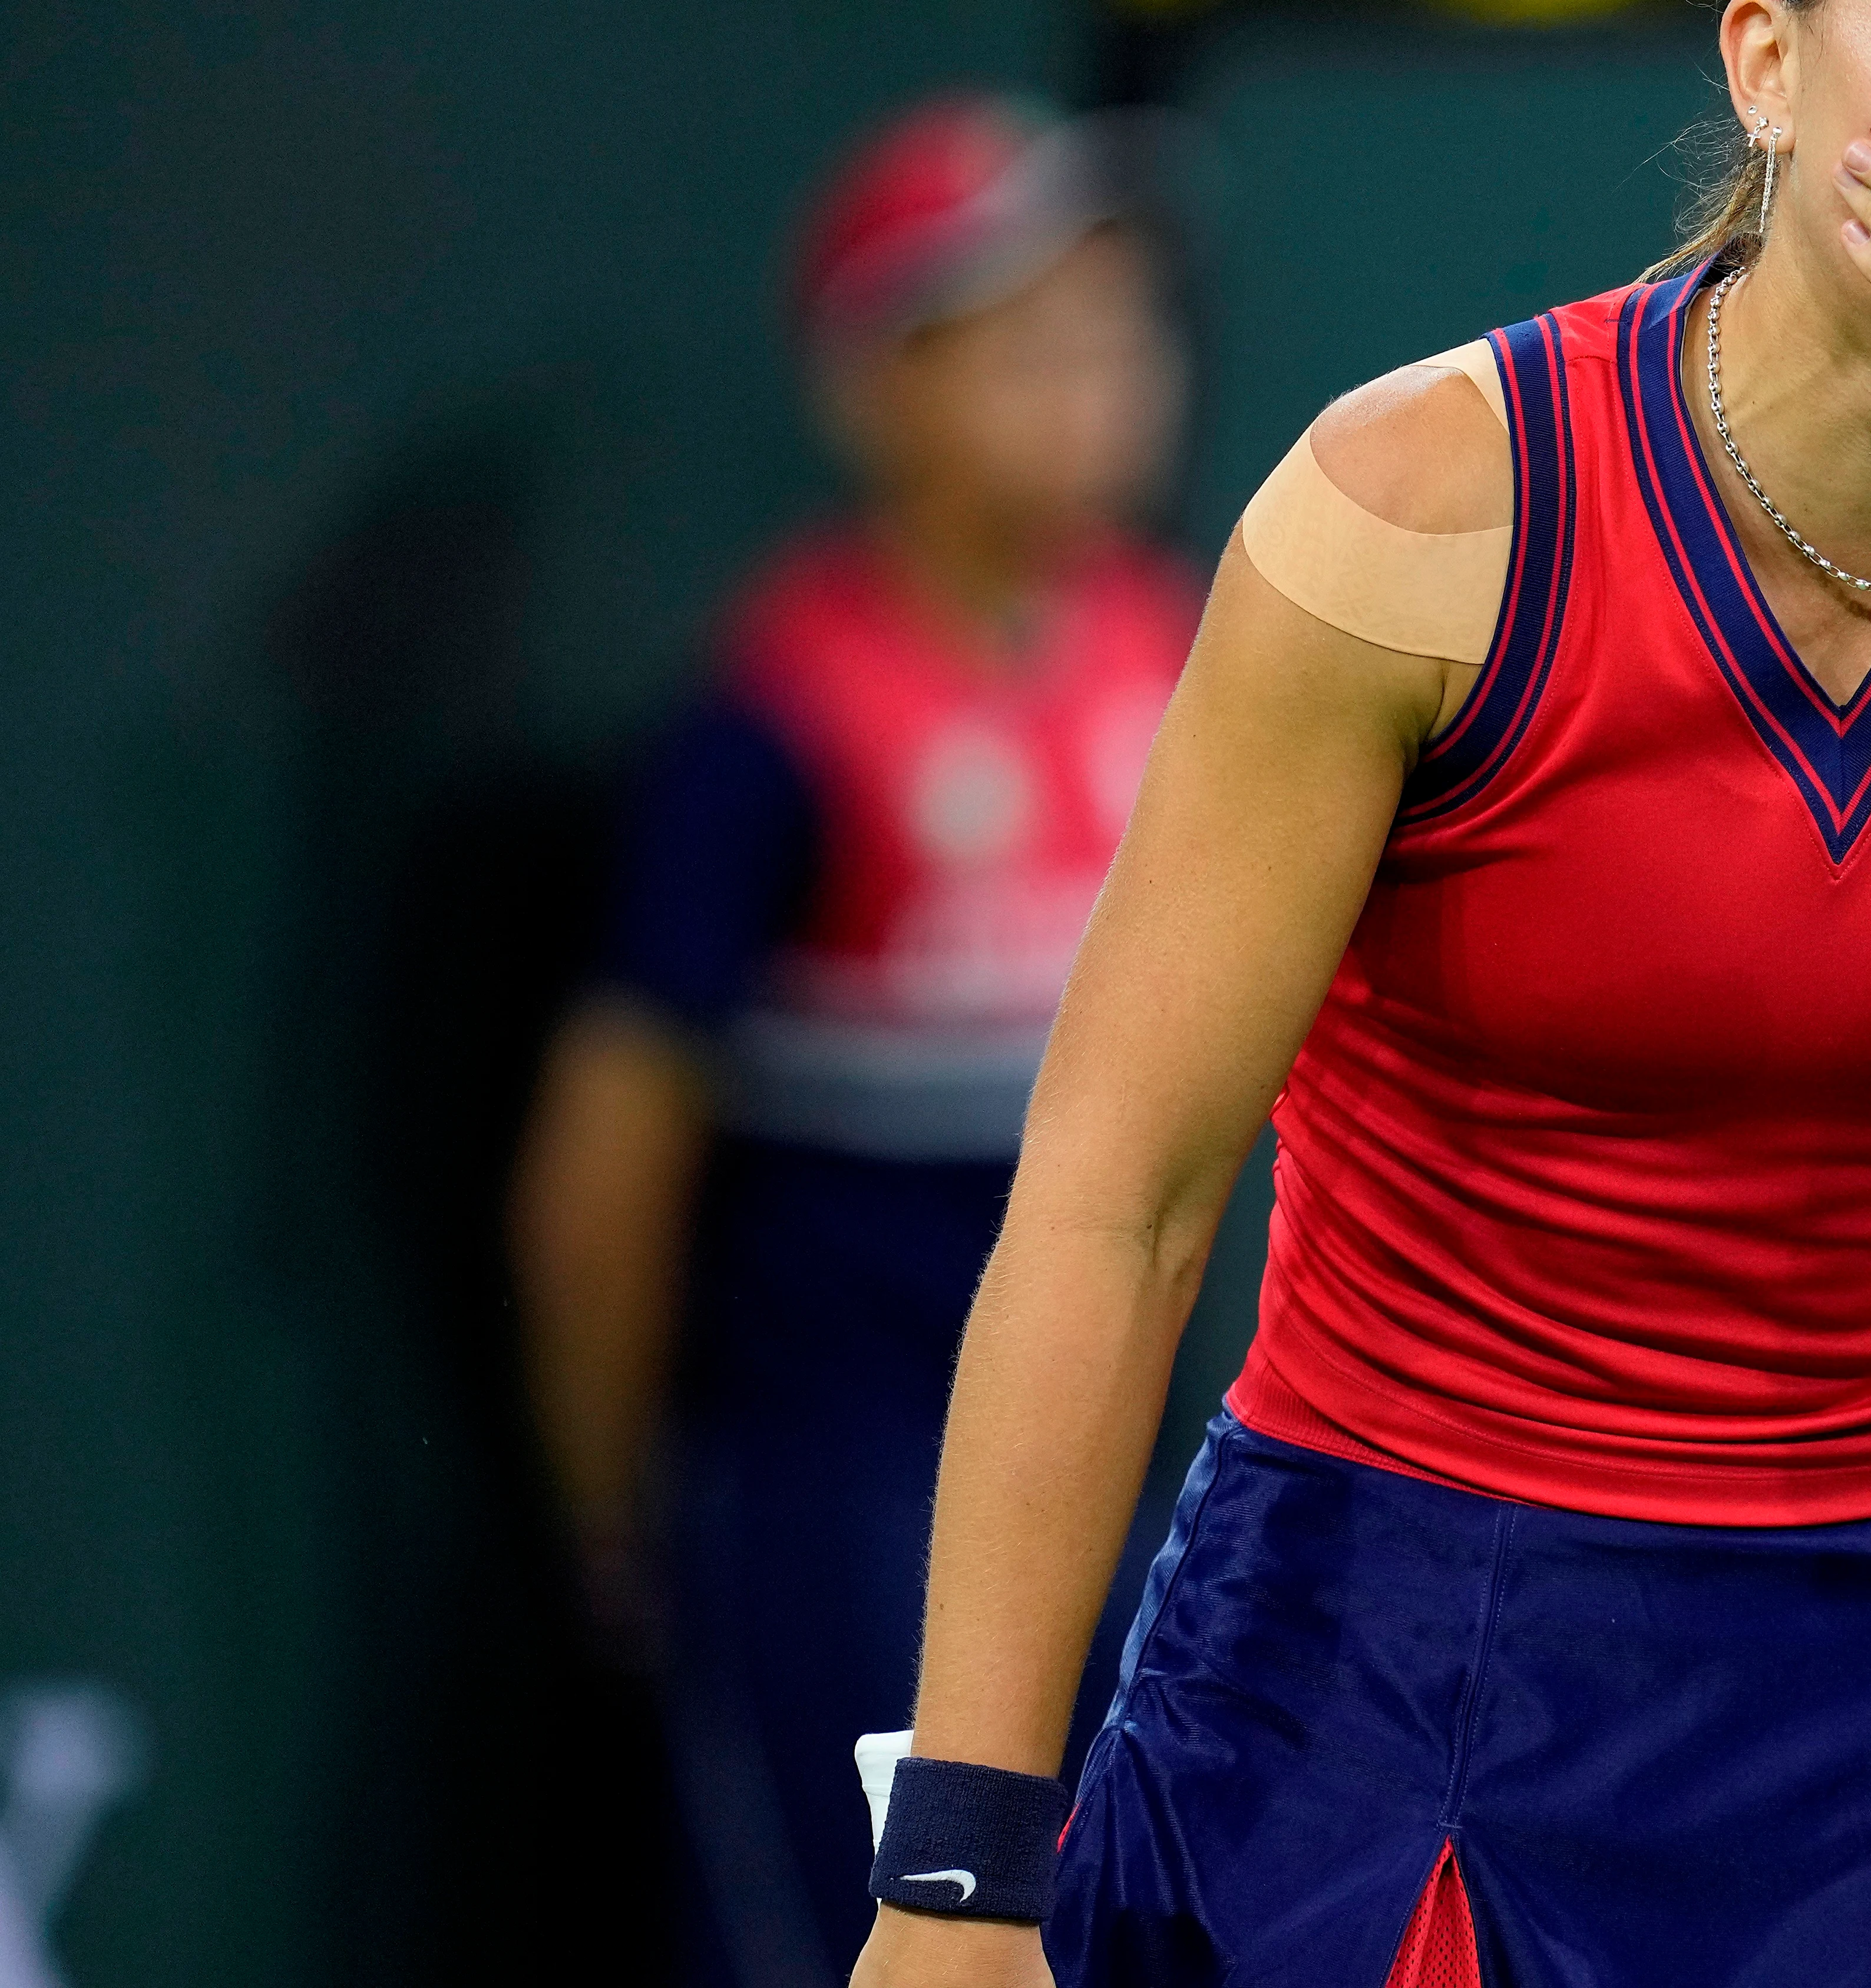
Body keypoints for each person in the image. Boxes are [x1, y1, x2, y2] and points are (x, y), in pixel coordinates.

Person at [852, 5, 1871, 1984]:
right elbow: (1116, 1198)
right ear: (1767, 64)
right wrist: (956, 1868)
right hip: (1371, 1706)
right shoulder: (1424, 503)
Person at [507, 94, 1196, 1987]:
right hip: (842, 1507)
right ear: (877, 386)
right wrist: (619, 1515)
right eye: (1028, 339)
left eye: (1118, 329)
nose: (1098, 381)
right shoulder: (781, 713)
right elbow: (611, 1149)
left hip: (1151, 1499)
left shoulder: (1189, 653)